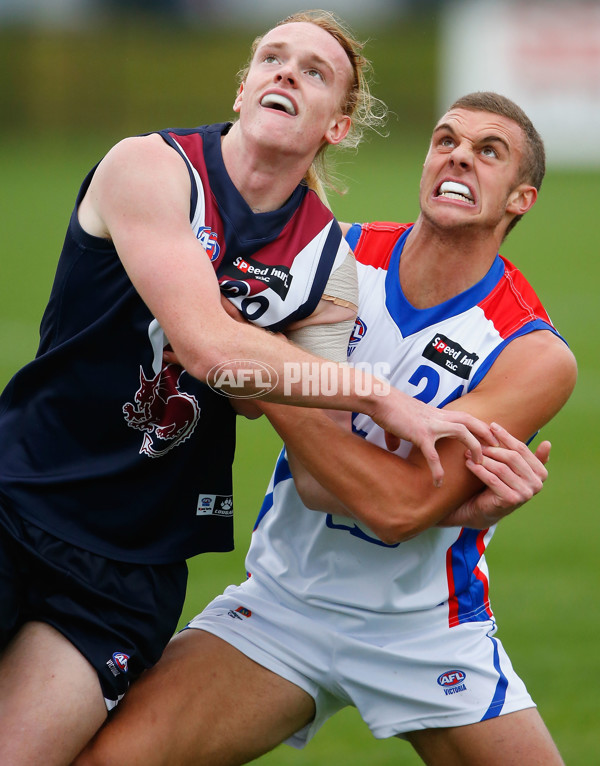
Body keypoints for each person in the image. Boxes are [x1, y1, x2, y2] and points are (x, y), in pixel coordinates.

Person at [0, 11, 504, 766]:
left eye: (313, 71)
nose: (285, 73)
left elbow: (319, 470)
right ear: (242, 90)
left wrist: (460, 503)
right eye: (272, 58)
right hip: (18, 498)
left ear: (337, 125)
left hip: (128, 566)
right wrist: (376, 394)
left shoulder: (325, 262)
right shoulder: (151, 167)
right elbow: (206, 345)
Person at [73, 91, 576, 766]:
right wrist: (252, 364)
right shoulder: (335, 255)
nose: (460, 155)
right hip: (285, 605)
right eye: (447, 139)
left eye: (490, 152)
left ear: (521, 198)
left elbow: (396, 509)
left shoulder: (532, 351)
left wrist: (262, 368)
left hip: (423, 629)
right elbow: (303, 458)